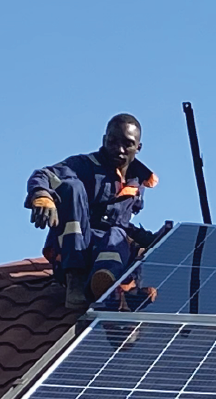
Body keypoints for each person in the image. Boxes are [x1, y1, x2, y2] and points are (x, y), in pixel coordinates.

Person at [25, 113, 162, 309]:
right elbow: (44, 174)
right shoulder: (85, 166)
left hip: (107, 249)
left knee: (117, 234)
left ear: (138, 148)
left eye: (127, 144)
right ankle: (77, 281)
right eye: (113, 142)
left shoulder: (137, 182)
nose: (119, 149)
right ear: (104, 140)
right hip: (76, 249)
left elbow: (121, 224)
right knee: (72, 187)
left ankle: (104, 284)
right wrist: (41, 195)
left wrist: (153, 240)